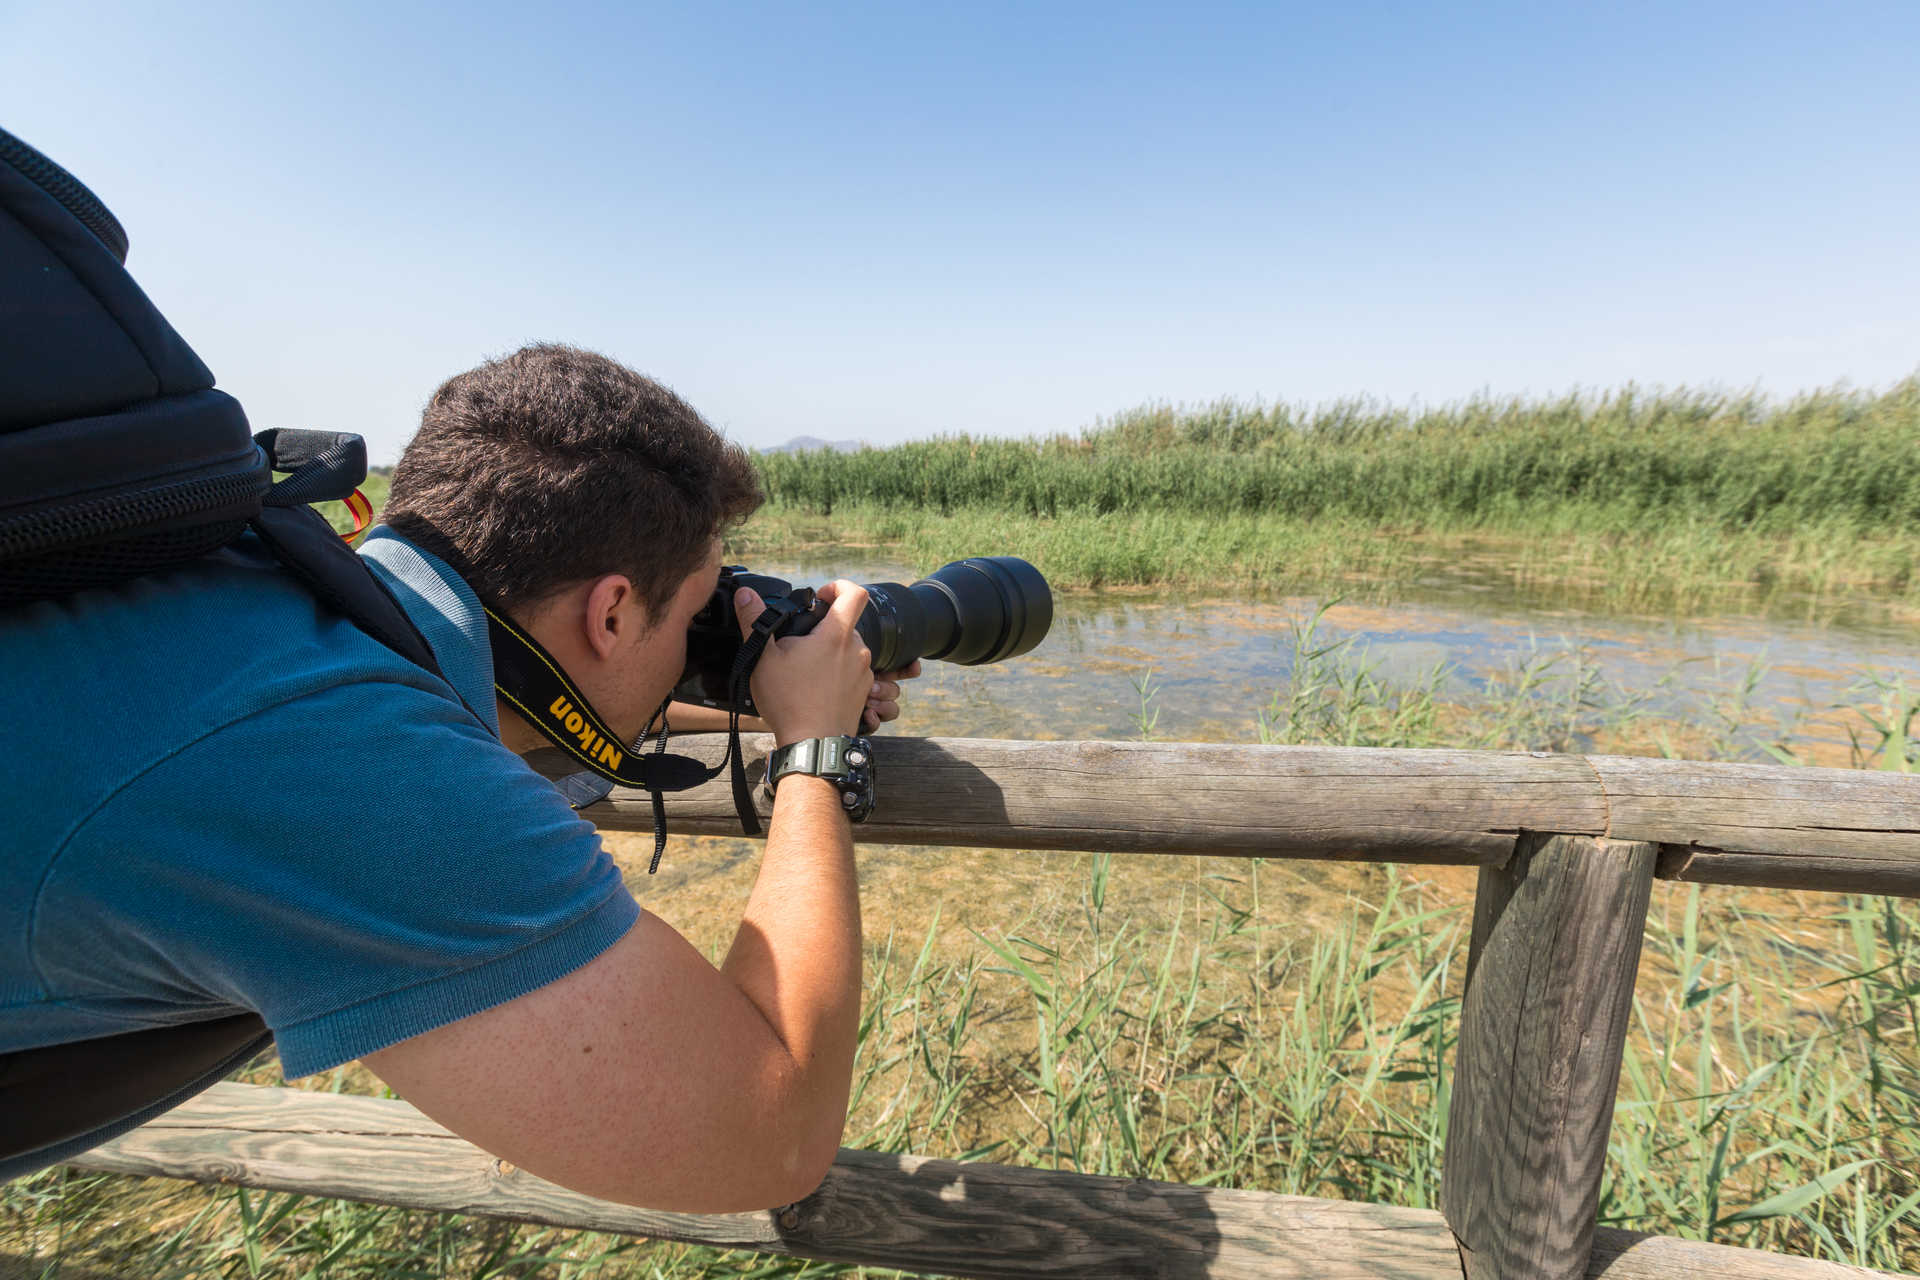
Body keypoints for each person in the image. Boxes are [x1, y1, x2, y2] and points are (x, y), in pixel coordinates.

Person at [0, 342, 915, 1211]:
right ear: (612, 611)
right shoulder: (359, 770)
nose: (696, 639)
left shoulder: (272, 597)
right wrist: (813, 747)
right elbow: (773, 1138)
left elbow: (515, 693)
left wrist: (765, 693)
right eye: (692, 615)